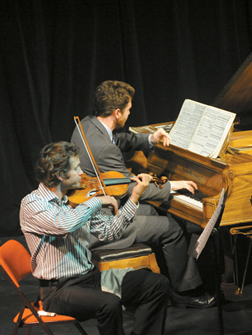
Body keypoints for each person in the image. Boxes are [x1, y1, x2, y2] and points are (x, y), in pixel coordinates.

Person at [70, 80, 215, 308]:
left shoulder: (88, 125)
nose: (130, 112)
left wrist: (149, 139)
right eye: (128, 110)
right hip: (103, 225)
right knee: (173, 229)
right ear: (117, 113)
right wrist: (171, 187)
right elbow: (128, 187)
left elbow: (117, 139)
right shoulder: (104, 149)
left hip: (97, 211)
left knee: (155, 212)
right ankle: (183, 292)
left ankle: (158, 281)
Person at [20, 141, 170, 335]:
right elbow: (64, 224)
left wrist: (134, 198)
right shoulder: (32, 204)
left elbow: (110, 232)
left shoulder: (77, 201)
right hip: (59, 291)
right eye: (76, 168)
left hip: (91, 278)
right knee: (109, 303)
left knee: (156, 284)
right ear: (59, 175)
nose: (83, 173)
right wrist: (97, 201)